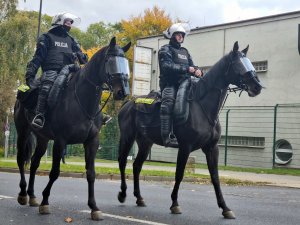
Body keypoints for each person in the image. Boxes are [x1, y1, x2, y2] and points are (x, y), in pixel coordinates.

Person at [25, 12, 88, 129]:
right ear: (59, 21)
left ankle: (95, 115)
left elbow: (83, 60)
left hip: (70, 70)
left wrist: (82, 56)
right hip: (51, 70)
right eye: (67, 21)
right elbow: (38, 57)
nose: (70, 24)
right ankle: (39, 115)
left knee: (86, 83)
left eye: (71, 22)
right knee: (47, 85)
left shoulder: (72, 40)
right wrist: (30, 74)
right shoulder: (46, 37)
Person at [158, 23, 203, 147]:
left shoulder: (185, 51)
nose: (180, 37)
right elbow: (166, 66)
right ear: (172, 36)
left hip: (186, 83)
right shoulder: (165, 49)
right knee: (167, 104)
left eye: (182, 35)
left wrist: (198, 70)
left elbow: (192, 65)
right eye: (178, 35)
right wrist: (187, 69)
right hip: (170, 84)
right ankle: (167, 137)